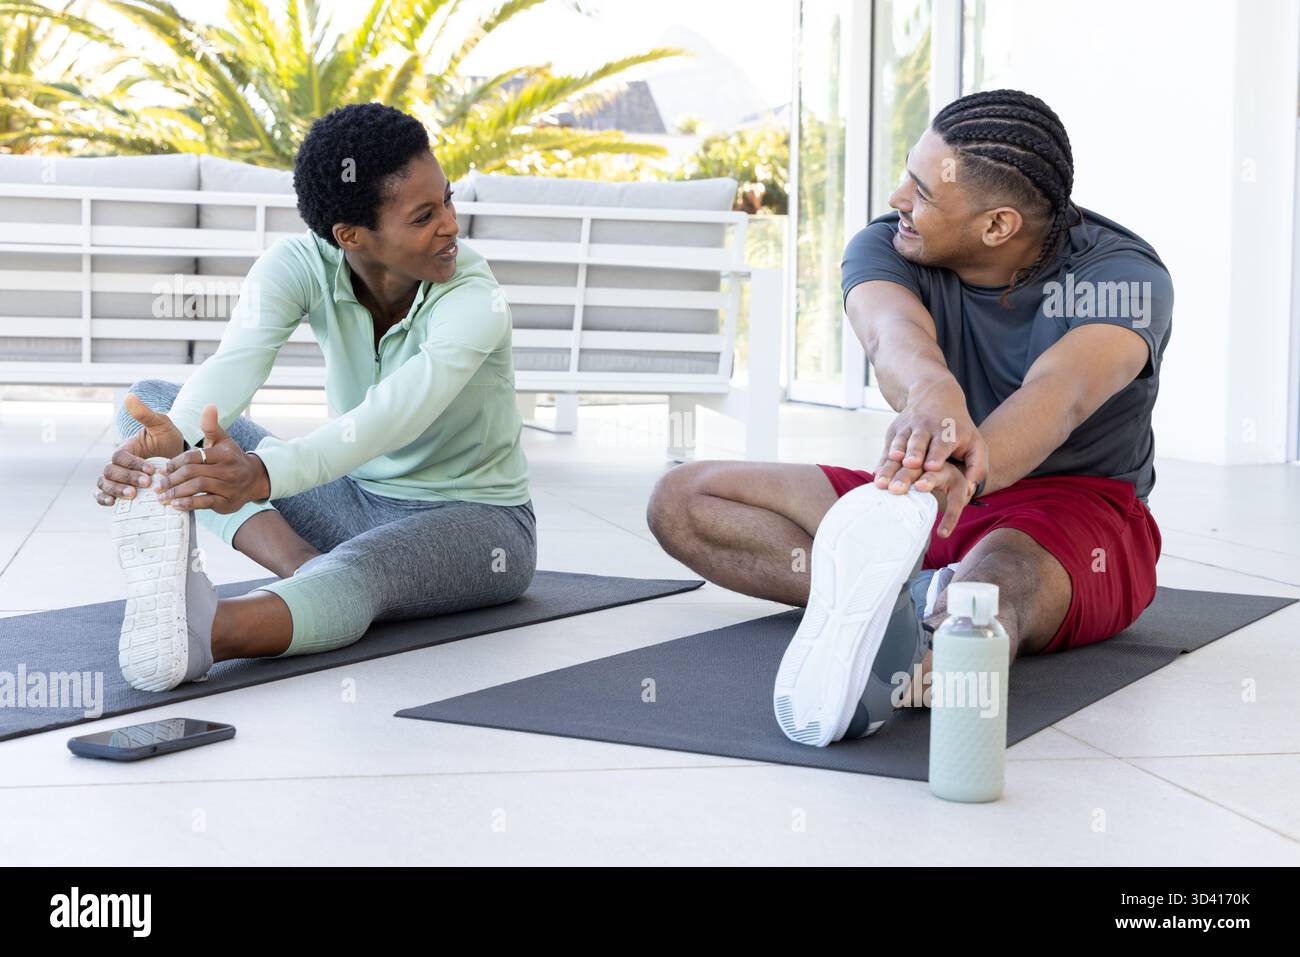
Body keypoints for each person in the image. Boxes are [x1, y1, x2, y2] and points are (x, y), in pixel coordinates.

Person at [647, 89, 1170, 746]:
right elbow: (891, 334)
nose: (898, 197)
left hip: (1072, 514)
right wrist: (932, 396)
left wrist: (968, 470)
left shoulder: (1120, 274)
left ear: (998, 226)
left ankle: (940, 621)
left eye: (921, 190)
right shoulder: (891, 241)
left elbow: (1061, 392)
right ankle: (894, 603)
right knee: (684, 499)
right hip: (922, 493)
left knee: (988, 588)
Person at [98, 103, 535, 692]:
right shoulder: (297, 265)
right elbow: (234, 366)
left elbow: (391, 419)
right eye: (424, 215)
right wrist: (174, 444)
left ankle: (205, 630)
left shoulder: (473, 297)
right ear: (350, 236)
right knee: (152, 406)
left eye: (449, 200)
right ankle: (303, 569)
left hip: (478, 524)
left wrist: (258, 474)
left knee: (362, 572)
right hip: (354, 497)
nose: (451, 225)